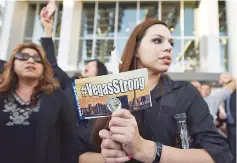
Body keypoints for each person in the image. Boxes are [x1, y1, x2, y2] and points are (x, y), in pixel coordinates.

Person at [78, 18, 233, 163]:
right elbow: (81, 155)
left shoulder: (185, 92)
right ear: (135, 50)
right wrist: (108, 157)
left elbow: (220, 156)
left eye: (171, 43)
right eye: (157, 40)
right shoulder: (108, 92)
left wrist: (148, 150)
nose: (169, 47)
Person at [0, 42, 78, 163]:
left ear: (43, 68)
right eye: (23, 57)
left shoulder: (58, 97)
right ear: (12, 64)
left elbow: (69, 140)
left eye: (37, 58)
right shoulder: (2, 95)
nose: (31, 61)